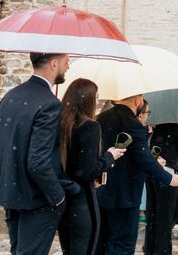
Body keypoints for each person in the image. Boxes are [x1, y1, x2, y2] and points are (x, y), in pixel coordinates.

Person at [0, 52, 79, 255]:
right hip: (37, 197)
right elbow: (37, 162)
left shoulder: (11, 96)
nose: (68, 67)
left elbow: (8, 147)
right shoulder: (49, 104)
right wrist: (58, 197)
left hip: (10, 192)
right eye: (66, 62)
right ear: (54, 64)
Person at [96, 94, 178, 255]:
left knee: (102, 243)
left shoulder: (101, 118)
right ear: (137, 101)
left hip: (102, 191)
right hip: (124, 195)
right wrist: (169, 178)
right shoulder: (132, 123)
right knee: (122, 244)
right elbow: (142, 157)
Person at [57, 78, 126, 255]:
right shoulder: (90, 126)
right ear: (87, 99)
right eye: (96, 97)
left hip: (64, 198)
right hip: (82, 200)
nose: (97, 101)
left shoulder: (63, 124)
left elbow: (73, 164)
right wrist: (110, 157)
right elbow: (87, 171)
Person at [144, 122, 178, 255]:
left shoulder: (159, 125)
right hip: (167, 172)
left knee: (153, 213)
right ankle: (162, 251)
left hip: (153, 172)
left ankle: (150, 249)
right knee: (165, 216)